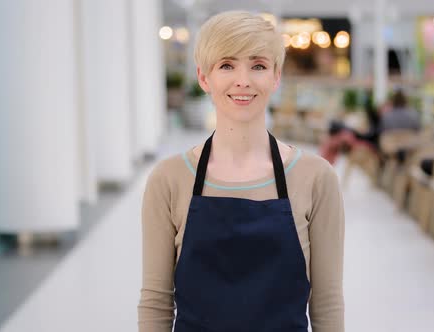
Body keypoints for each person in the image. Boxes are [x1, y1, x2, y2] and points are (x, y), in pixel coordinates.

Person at [138, 11, 345, 332]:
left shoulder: (316, 178)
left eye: (258, 65)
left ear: (276, 77)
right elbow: (155, 302)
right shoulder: (169, 179)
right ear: (204, 77)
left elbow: (327, 304)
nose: (243, 80)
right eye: (226, 65)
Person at [319, 89, 420, 164]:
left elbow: (380, 131)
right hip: (407, 148)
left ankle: (335, 129)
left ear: (394, 101)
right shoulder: (414, 115)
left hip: (387, 147)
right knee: (347, 131)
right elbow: (418, 131)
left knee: (347, 131)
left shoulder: (388, 115)